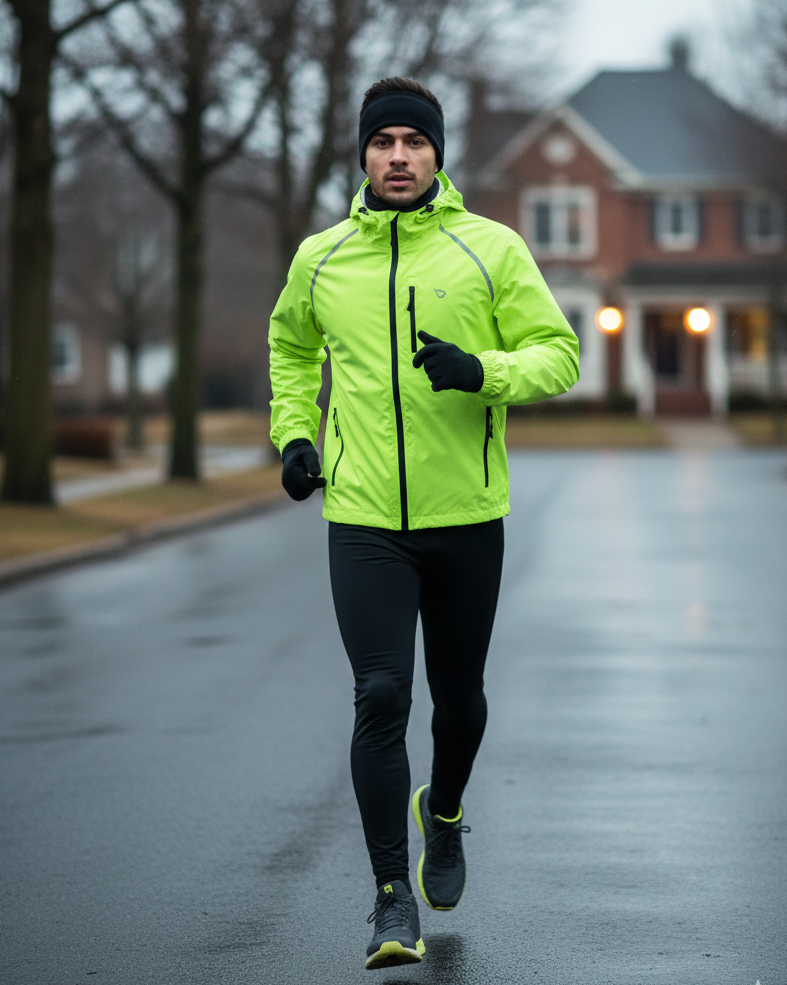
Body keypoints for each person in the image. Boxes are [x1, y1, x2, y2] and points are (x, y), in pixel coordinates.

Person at [269, 76, 579, 970]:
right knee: (379, 694)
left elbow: (558, 354)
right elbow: (290, 347)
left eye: (413, 141)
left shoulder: (490, 249)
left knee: (459, 699)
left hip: (465, 515)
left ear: (437, 153)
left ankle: (442, 812)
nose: (398, 156)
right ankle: (389, 896)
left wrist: (481, 370)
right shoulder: (321, 257)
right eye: (382, 142)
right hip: (363, 516)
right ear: (363, 155)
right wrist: (294, 435)